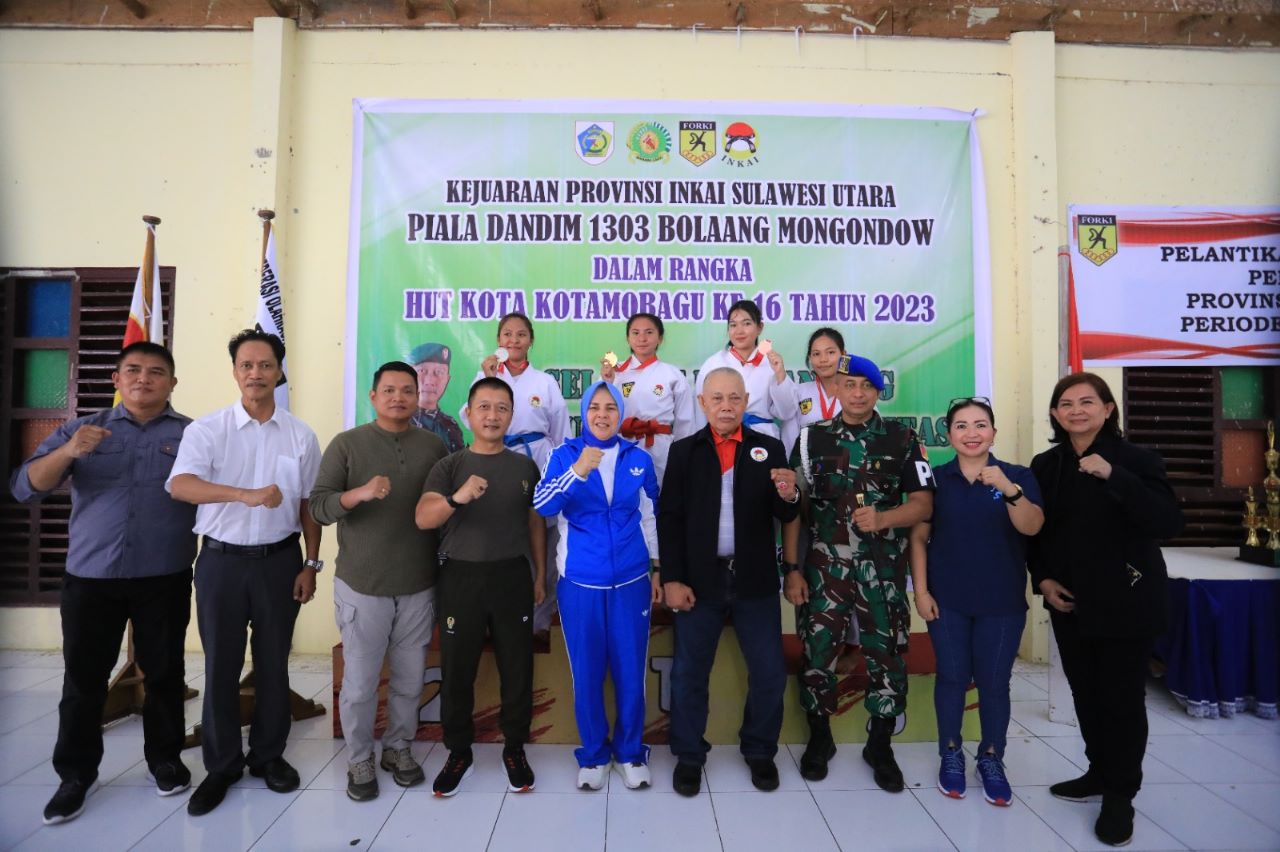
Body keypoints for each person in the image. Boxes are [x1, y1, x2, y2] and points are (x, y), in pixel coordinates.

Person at [10, 342, 197, 825]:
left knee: (165, 674)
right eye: (133, 370)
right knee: (83, 680)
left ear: (172, 383)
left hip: (164, 574)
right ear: (117, 379)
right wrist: (69, 451)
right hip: (92, 577)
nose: (143, 379)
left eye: (156, 372)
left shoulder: (192, 434)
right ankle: (76, 774)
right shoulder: (83, 429)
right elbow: (26, 486)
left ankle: (165, 760)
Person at [167, 329, 323, 817]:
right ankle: (221, 766)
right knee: (221, 663)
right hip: (221, 563)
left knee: (274, 662)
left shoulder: (300, 435)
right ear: (235, 372)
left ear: (279, 372)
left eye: (265, 365)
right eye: (246, 365)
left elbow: (309, 505)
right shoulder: (207, 430)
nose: (256, 373)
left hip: (280, 562)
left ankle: (268, 756)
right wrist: (243, 494)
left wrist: (311, 563)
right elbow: (181, 485)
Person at [1029, 372, 1182, 847]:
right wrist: (1043, 579)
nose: (1076, 410)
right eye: (1066, 403)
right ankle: (1098, 771)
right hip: (1070, 601)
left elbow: (1167, 520)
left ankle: (1120, 794)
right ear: (1055, 414)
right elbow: (1036, 531)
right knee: (1087, 694)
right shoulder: (1047, 465)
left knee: (1122, 700)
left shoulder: (1135, 459)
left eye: (1086, 402)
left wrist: (1115, 476)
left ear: (1108, 408)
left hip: (1127, 599)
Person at [784, 353, 934, 790]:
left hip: (883, 570)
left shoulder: (902, 438)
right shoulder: (811, 439)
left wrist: (885, 518)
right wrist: (791, 569)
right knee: (817, 654)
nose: (857, 393)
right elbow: (795, 510)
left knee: (886, 655)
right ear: (836, 388)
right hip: (824, 570)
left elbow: (923, 504)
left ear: (878, 391)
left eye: (867, 386)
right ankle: (820, 739)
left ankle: (880, 745)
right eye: (849, 384)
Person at [658, 367, 801, 797]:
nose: (726, 406)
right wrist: (672, 578)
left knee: (769, 672)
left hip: (755, 579)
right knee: (688, 673)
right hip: (698, 581)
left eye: (734, 398)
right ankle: (689, 755)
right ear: (703, 403)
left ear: (745, 402)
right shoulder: (684, 451)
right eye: (717, 398)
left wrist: (790, 494)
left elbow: (786, 513)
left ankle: (759, 750)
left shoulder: (768, 447)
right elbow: (669, 518)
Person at [309, 361, 448, 801]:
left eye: (407, 390)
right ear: (373, 396)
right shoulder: (347, 444)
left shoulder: (433, 445)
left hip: (418, 584)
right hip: (363, 586)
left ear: (418, 397)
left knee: (409, 678)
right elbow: (318, 507)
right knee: (360, 683)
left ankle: (398, 748)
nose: (398, 398)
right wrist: (360, 493)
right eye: (389, 390)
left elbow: (445, 508)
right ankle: (359, 757)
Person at [908, 397, 1044, 805]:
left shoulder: (1017, 476)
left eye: (980, 425)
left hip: (1002, 603)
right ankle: (950, 752)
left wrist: (1009, 490)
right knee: (951, 677)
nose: (972, 433)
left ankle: (991, 756)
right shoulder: (936, 478)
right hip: (946, 601)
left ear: (993, 433)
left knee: (994, 683)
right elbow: (918, 537)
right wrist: (921, 592)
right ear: (949, 435)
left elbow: (1033, 527)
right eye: (962, 426)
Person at [417, 376, 547, 798]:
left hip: (512, 576)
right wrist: (457, 498)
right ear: (469, 413)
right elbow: (423, 517)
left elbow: (535, 522)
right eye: (484, 407)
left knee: (517, 667)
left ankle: (515, 748)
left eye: (502, 408)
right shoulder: (450, 465)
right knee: (458, 670)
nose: (493, 416)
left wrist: (540, 574)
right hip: (461, 577)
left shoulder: (524, 467)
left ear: (511, 415)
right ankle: (459, 752)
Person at [533, 381, 661, 791]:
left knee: (630, 671)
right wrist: (577, 471)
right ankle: (592, 755)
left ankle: (630, 752)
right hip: (580, 582)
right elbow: (543, 505)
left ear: (620, 414)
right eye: (595, 408)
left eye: (610, 408)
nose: (602, 415)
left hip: (632, 581)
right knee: (586, 674)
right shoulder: (563, 455)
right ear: (584, 413)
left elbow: (651, 516)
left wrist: (658, 568)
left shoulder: (638, 458)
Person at [468, 312, 567, 637]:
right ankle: (493, 618)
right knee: (501, 531)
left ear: (531, 340)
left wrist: (555, 471)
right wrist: (486, 377)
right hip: (495, 457)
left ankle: (539, 620)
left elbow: (559, 431)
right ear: (498, 340)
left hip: (538, 459)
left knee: (543, 535)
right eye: (507, 334)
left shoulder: (545, 382)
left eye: (521, 334)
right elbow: (471, 417)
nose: (514, 340)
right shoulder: (485, 376)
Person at [598, 312, 695, 484]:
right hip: (622, 444)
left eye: (649, 332)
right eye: (635, 333)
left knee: (659, 491)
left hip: (659, 448)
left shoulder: (672, 375)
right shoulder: (613, 372)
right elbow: (598, 409)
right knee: (622, 492)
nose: (642, 338)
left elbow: (685, 423)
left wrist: (683, 456)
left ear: (660, 338)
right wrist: (607, 382)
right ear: (628, 338)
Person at [693, 299, 799, 443]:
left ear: (760, 327)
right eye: (733, 325)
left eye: (747, 323)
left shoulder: (771, 363)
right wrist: (703, 443)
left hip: (763, 437)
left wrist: (780, 374)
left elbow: (786, 412)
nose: (739, 331)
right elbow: (701, 412)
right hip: (721, 438)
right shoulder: (713, 363)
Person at [783, 327, 845, 455]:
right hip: (806, 465)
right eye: (816, 354)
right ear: (810, 358)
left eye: (830, 352)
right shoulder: (798, 392)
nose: (823, 359)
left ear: (843, 354)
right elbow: (789, 440)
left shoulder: (856, 393)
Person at [409, 341, 465, 453]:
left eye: (439, 372)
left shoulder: (450, 425)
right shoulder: (400, 421)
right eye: (422, 371)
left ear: (447, 379)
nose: (430, 381)